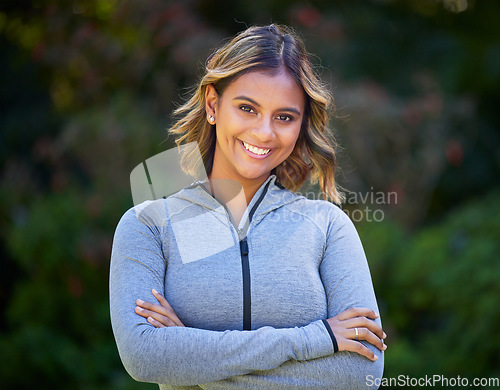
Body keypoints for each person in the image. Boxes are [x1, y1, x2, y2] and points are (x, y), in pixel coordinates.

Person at [109, 24, 386, 389]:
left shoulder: (328, 226)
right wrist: (317, 339)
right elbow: (145, 356)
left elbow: (361, 372)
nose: (264, 133)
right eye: (247, 108)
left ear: (301, 124)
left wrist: (192, 360)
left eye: (285, 117)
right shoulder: (149, 225)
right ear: (213, 105)